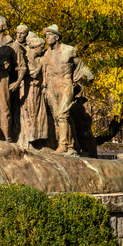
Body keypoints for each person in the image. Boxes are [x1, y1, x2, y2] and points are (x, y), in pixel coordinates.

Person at [41, 24, 82, 154]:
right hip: (51, 86)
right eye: (46, 36)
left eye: (49, 35)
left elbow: (80, 66)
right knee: (59, 117)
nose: (47, 38)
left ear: (57, 37)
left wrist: (86, 77)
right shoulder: (46, 53)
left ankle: (63, 145)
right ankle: (71, 145)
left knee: (62, 115)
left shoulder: (69, 50)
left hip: (65, 84)